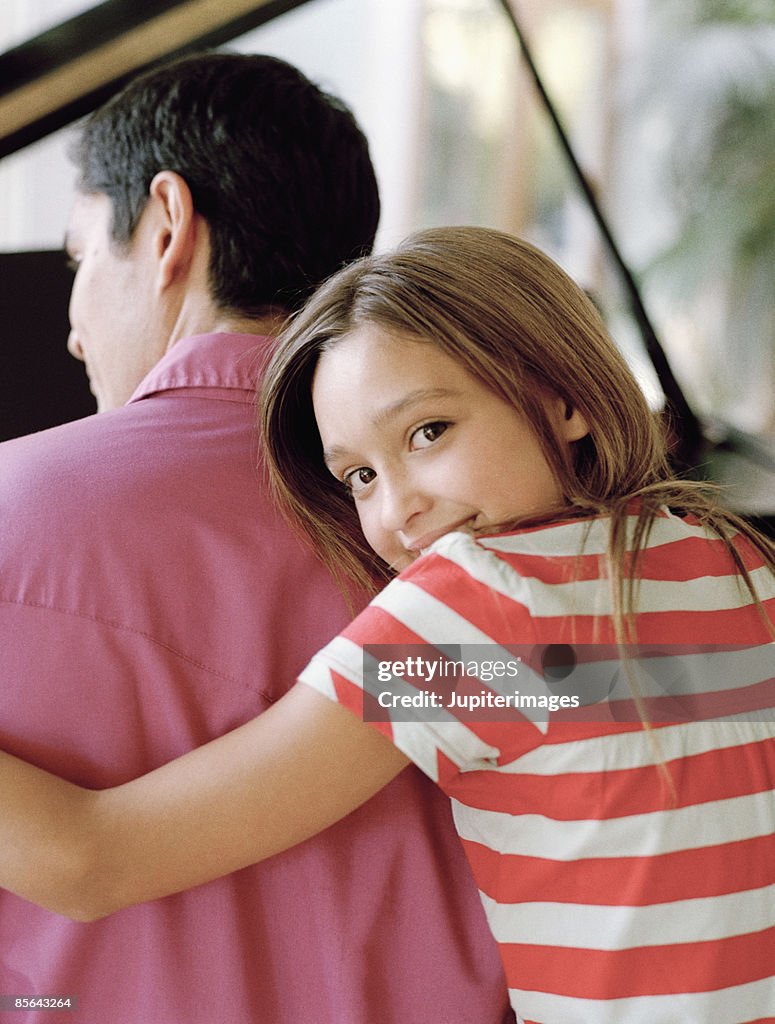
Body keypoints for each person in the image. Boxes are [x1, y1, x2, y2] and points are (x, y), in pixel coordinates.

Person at [2, 226, 774, 1024]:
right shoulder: (733, 558)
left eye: (428, 431)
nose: (397, 507)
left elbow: (95, 861)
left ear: (565, 398)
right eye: (359, 476)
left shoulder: (477, 607)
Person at [0, 61, 514, 1024]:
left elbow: (93, 857)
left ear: (165, 227)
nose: (72, 331)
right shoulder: (525, 557)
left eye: (78, 261)